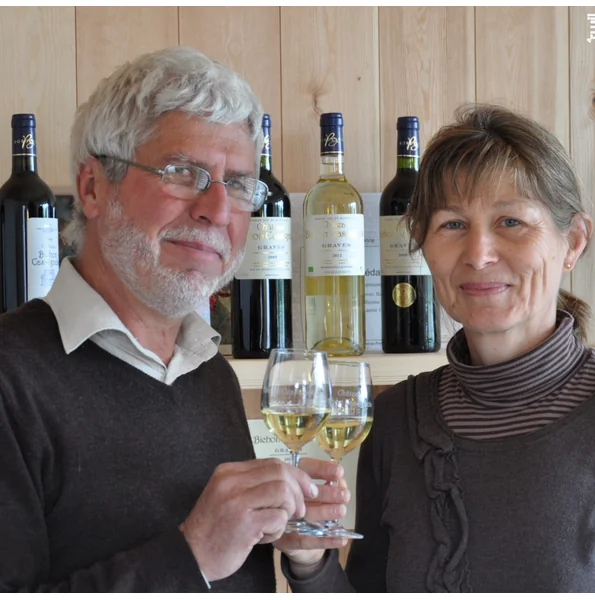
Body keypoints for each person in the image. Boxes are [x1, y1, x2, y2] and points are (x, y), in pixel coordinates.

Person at [0, 46, 348, 592]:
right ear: (93, 188)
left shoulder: (210, 373)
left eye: (238, 184)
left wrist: (309, 564)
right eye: (183, 173)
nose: (217, 210)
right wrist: (193, 555)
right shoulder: (10, 377)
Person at [278, 104, 595, 592]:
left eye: (511, 221)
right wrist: (310, 563)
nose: (478, 254)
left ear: (573, 241)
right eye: (452, 224)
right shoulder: (396, 420)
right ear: (421, 244)